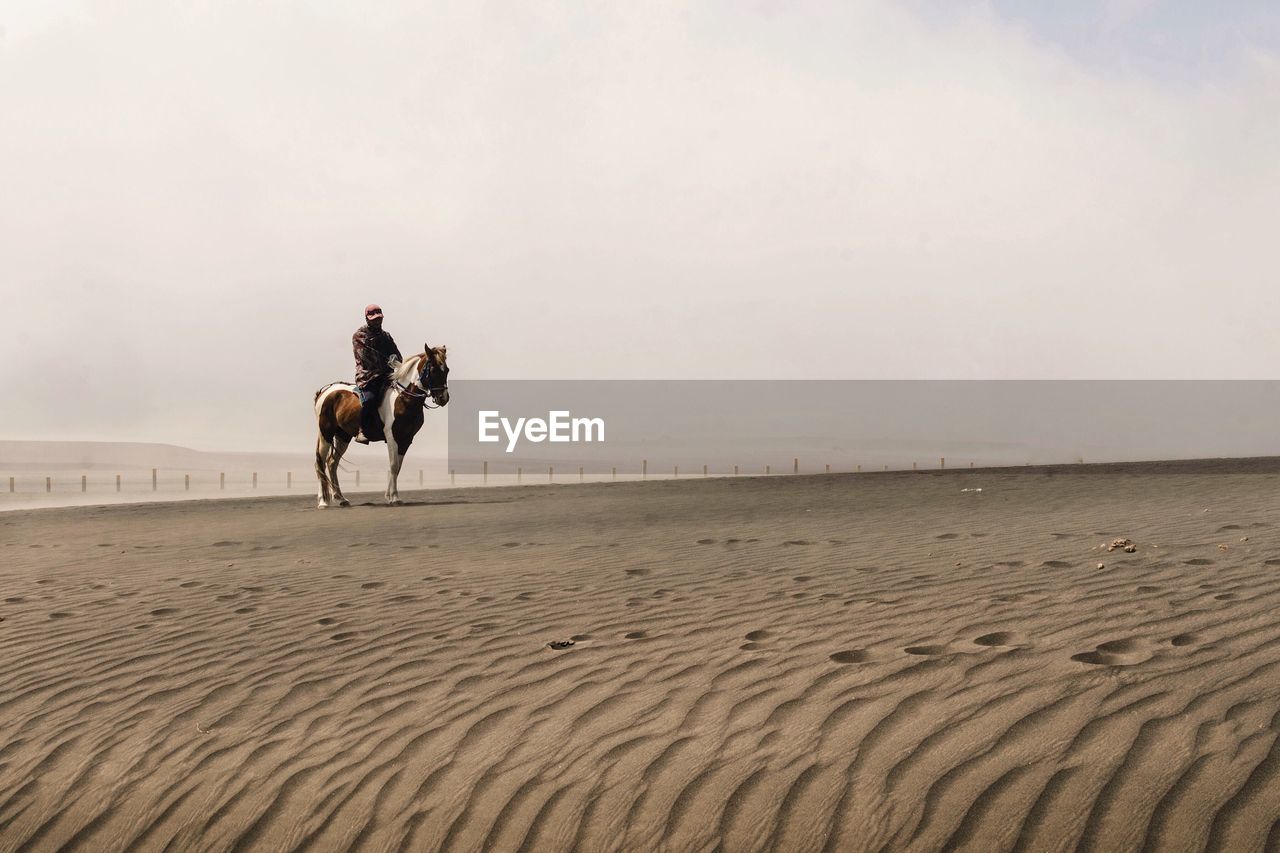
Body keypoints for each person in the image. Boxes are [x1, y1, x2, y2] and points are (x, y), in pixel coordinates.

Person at [351, 303, 402, 444]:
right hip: (369, 376)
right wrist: (387, 361)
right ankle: (362, 430)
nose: (377, 321)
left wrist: (396, 360)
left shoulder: (386, 336)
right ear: (367, 318)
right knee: (370, 399)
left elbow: (397, 354)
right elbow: (366, 358)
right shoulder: (359, 336)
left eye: (379, 318)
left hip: (387, 375)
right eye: (374, 319)